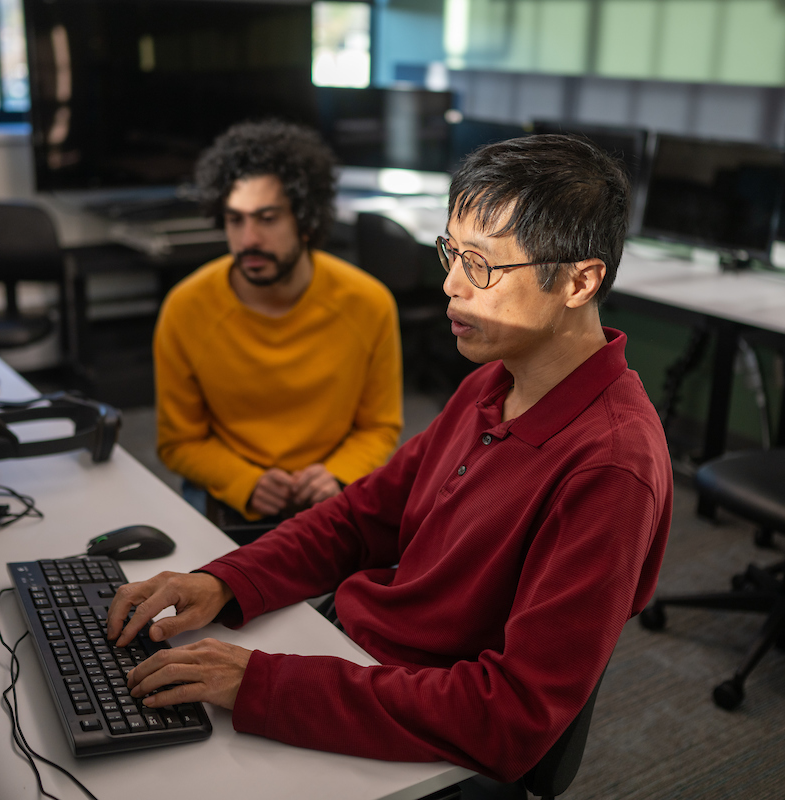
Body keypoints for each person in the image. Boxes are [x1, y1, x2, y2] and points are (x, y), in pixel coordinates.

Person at [110, 134, 673, 783]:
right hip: (352, 656)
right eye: (452, 253)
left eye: (482, 265)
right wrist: (222, 581)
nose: (450, 283)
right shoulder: (495, 382)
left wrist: (264, 685)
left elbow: (514, 715)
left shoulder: (610, 466)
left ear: (579, 280)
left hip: (418, 731)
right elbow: (360, 519)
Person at [155, 120, 402, 523]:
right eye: (236, 220)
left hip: (333, 487)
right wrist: (245, 480)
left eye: (267, 218)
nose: (248, 238)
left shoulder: (368, 303)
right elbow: (178, 443)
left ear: (305, 221)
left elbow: (379, 427)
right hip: (230, 491)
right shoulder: (186, 308)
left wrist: (337, 474)